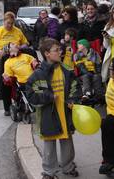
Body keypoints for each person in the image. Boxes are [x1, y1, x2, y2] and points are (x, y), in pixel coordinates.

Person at [25, 38, 80, 179]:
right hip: (48, 115)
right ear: (47, 54)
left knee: (67, 143)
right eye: (56, 50)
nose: (60, 52)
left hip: (65, 113)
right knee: (49, 145)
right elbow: (32, 93)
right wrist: (49, 96)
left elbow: (75, 86)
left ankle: (68, 167)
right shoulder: (39, 74)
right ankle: (49, 172)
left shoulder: (66, 71)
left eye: (59, 49)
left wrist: (72, 100)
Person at [0, 11, 29, 116]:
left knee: (19, 81)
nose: (10, 25)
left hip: (17, 59)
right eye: (8, 23)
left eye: (12, 23)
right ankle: (6, 107)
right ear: (4, 21)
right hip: (3, 60)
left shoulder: (17, 31)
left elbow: (25, 43)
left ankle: (20, 103)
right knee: (4, 82)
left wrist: (19, 47)